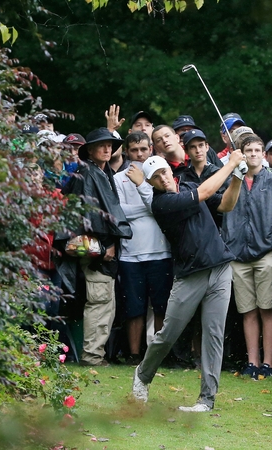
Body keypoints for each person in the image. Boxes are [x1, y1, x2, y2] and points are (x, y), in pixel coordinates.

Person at [131, 149, 245, 412]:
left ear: (170, 171)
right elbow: (204, 194)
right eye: (156, 176)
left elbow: (225, 204)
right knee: (168, 334)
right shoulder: (161, 204)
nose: (163, 178)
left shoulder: (189, 184)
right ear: (150, 183)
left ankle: (207, 399)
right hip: (190, 275)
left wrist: (237, 177)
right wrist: (231, 165)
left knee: (214, 335)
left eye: (164, 171)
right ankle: (143, 375)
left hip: (220, 267)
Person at [61, 128, 132, 366]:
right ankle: (92, 356)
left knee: (103, 302)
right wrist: (108, 245)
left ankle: (94, 353)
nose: (107, 148)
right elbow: (91, 216)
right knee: (100, 302)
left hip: (93, 250)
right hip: (96, 252)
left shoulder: (97, 172)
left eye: (110, 145)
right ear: (89, 150)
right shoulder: (90, 174)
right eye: (101, 145)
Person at [222, 134, 272, 379]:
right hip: (238, 254)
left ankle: (268, 362)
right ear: (241, 153)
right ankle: (252, 361)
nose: (253, 154)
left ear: (263, 153)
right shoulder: (232, 180)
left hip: (267, 253)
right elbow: (222, 210)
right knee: (247, 310)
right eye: (248, 150)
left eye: (257, 150)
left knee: (267, 307)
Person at [115, 132, 174, 365]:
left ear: (151, 148)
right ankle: (134, 354)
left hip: (160, 251)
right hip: (130, 254)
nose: (139, 154)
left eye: (143, 149)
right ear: (127, 152)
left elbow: (161, 207)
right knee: (134, 308)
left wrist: (147, 203)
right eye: (134, 150)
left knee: (161, 306)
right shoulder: (119, 179)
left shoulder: (159, 175)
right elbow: (120, 212)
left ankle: (156, 354)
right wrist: (149, 207)